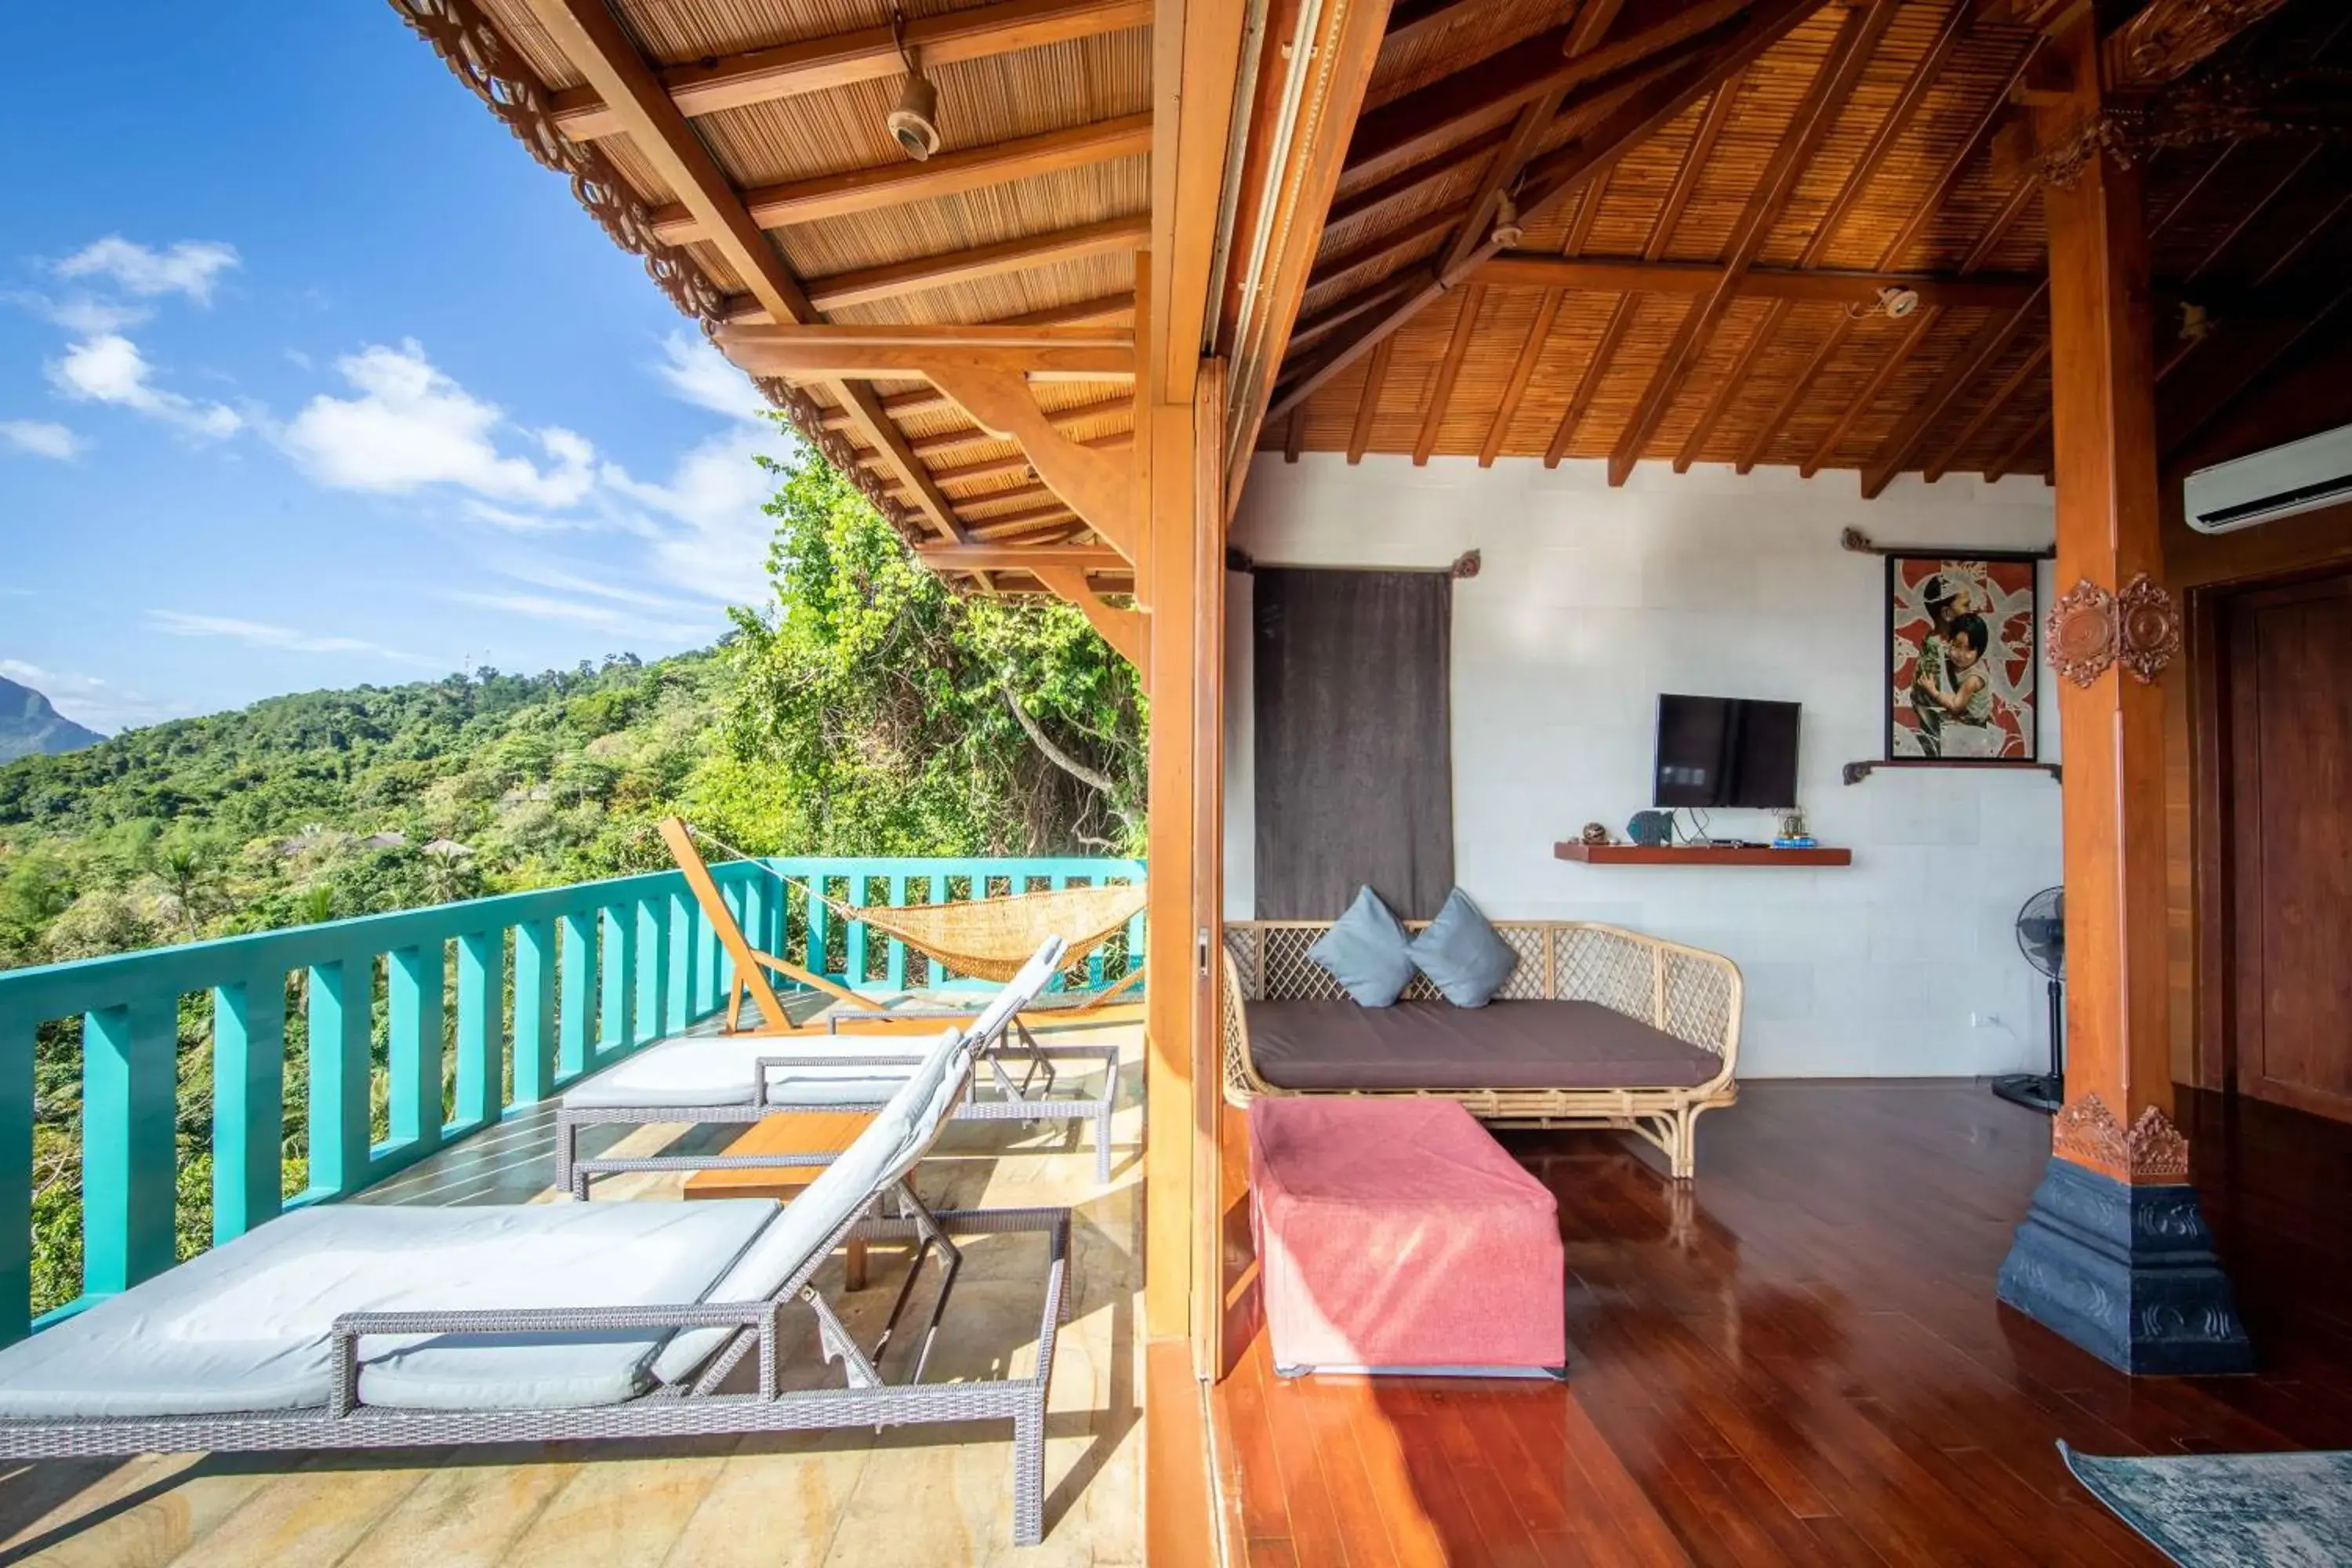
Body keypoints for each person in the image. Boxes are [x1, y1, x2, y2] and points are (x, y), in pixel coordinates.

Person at [1909, 572, 1973, 757]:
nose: (1970, 610)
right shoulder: (1938, 653)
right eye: (1965, 605)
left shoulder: (1944, 646)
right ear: (1947, 613)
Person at [1917, 612, 1997, 755]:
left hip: (1974, 727)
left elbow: (1956, 706)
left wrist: (1933, 691)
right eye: (1957, 645)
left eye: (1970, 649)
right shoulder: (1952, 658)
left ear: (1980, 651)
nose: (1961, 654)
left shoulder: (1973, 679)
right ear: (1950, 641)